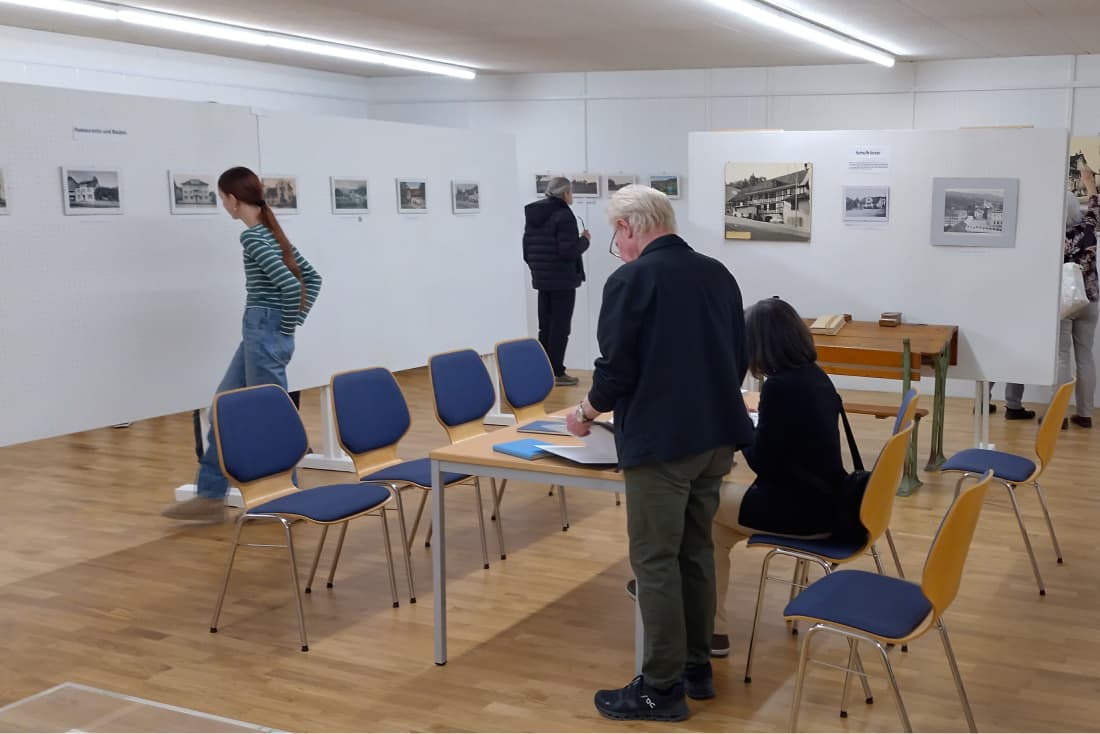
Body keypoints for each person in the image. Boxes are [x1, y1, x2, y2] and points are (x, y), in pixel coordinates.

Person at [565, 185, 753, 721]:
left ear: (628, 228)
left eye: (614, 236)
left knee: (654, 561)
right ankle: (696, 668)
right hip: (715, 439)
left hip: (663, 447)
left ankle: (660, 688)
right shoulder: (717, 273)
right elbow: (737, 356)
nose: (616, 248)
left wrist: (584, 413)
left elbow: (615, 371)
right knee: (695, 551)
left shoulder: (631, 279)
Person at [163, 166, 322, 523]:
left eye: (222, 198)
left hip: (262, 331)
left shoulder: (252, 238)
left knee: (270, 418)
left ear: (234, 199)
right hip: (261, 332)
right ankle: (210, 494)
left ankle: (287, 495)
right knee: (223, 407)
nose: (223, 205)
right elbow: (312, 278)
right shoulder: (268, 233)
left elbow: (293, 285)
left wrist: (283, 328)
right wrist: (290, 326)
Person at [710, 297, 846, 657]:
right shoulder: (816, 377)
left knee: (701, 501)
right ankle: (709, 627)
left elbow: (762, 463)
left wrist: (738, 421)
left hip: (797, 511)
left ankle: (699, 618)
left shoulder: (780, 388)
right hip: (828, 503)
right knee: (715, 532)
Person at [522, 177, 590, 386]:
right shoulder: (564, 215)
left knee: (546, 326)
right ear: (565, 193)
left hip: (542, 278)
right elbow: (568, 251)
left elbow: (526, 249)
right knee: (560, 327)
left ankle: (544, 370)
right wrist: (584, 240)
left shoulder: (534, 213)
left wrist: (539, 269)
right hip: (562, 279)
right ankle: (557, 372)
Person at [1061, 168, 1100, 428]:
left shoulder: (1054, 237)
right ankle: (1085, 414)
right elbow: (1096, 206)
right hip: (1090, 299)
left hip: (1063, 303)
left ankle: (1059, 417)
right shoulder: (1088, 229)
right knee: (1085, 357)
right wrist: (1089, 183)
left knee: (1061, 357)